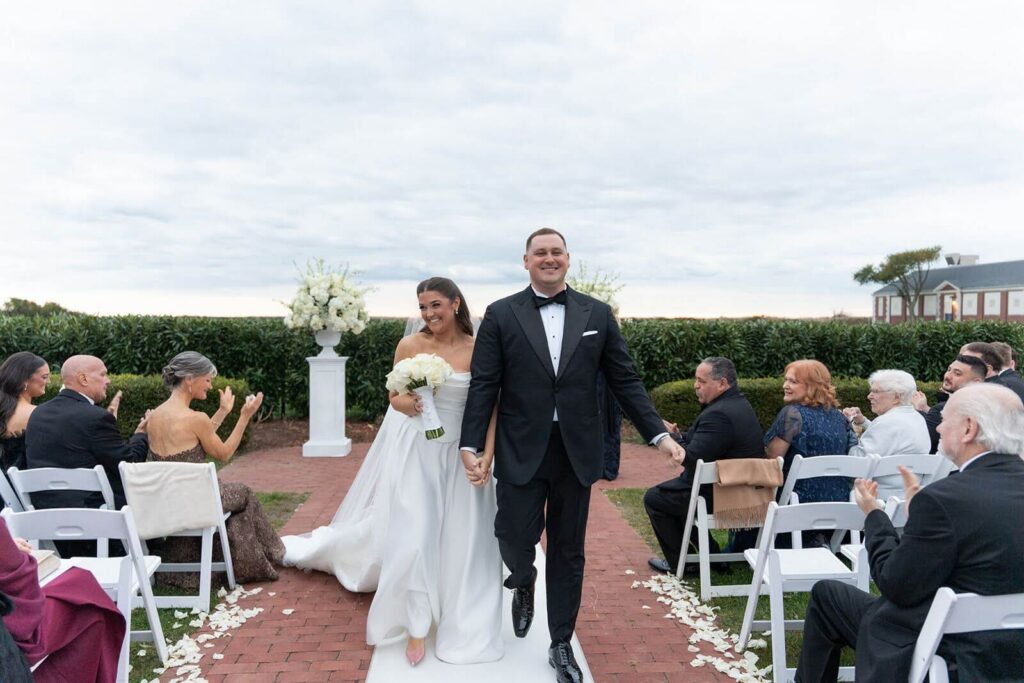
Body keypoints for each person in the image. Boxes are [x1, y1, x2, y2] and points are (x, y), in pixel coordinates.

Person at [459, 229, 684, 683]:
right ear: (526, 261)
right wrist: (470, 445)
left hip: (576, 450)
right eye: (540, 252)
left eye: (556, 252)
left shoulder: (597, 313)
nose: (549, 258)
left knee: (568, 550)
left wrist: (658, 434)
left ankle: (560, 642)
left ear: (568, 258)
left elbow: (625, 380)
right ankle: (523, 578)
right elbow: (485, 384)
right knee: (512, 534)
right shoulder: (501, 313)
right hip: (521, 447)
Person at [283, 277, 504, 667]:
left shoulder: (478, 348)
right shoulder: (410, 346)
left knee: (462, 536)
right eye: (422, 307)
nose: (428, 314)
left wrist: (487, 453)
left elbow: (491, 406)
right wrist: (414, 405)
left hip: (462, 452)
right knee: (417, 532)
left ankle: (460, 611)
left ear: (455, 303)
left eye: (435, 305)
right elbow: (394, 396)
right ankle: (416, 623)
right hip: (417, 450)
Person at [795, 383, 1024, 682]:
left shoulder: (944, 499)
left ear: (969, 428)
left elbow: (896, 584)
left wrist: (875, 516)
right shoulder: (945, 499)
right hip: (1013, 649)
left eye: (945, 419)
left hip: (952, 652)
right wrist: (921, 516)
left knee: (827, 596)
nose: (938, 427)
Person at [145, 351, 283, 585]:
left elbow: (196, 437)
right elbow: (224, 453)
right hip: (198, 503)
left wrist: (223, 411)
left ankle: (234, 560)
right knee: (244, 494)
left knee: (234, 501)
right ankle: (266, 556)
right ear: (189, 378)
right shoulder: (195, 418)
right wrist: (244, 416)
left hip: (168, 502)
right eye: (207, 379)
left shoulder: (155, 416)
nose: (210, 386)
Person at [643, 357, 764, 573]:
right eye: (696, 380)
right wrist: (678, 436)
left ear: (722, 383)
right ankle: (714, 558)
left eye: (701, 381)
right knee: (672, 495)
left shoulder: (719, 414)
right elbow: (706, 441)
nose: (695, 385)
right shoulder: (737, 403)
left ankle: (684, 564)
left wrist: (670, 439)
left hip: (726, 492)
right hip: (738, 486)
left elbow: (692, 458)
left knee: (656, 499)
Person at [25, 355, 148, 556]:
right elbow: (129, 464)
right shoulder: (96, 417)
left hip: (45, 518)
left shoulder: (38, 414)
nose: (108, 380)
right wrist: (141, 435)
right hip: (95, 521)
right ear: (83, 379)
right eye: (103, 374)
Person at [1, 518, 126, 682]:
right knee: (88, 604)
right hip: (11, 629)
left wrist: (8, 548)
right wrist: (13, 555)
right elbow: (23, 604)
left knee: (79, 587)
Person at [765, 359, 857, 503]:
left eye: (793, 382)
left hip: (796, 502)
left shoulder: (793, 414)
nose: (785, 385)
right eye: (786, 380)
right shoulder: (840, 417)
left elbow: (772, 461)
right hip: (839, 502)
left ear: (812, 386)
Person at [842, 369, 931, 499]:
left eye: (876, 391)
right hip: (907, 496)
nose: (869, 396)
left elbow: (855, 465)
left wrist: (846, 428)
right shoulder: (917, 418)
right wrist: (863, 422)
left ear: (897, 397)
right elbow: (890, 438)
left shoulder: (885, 422)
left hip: (877, 499)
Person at [912, 355, 987, 453]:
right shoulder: (988, 405)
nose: (948, 376)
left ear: (976, 382)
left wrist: (918, 411)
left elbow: (923, 443)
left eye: (957, 374)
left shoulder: (944, 409)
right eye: (949, 370)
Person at [0, 352, 50, 484]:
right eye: (44, 377)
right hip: (26, 487)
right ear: (25, 380)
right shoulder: (36, 413)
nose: (48, 381)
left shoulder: (4, 410)